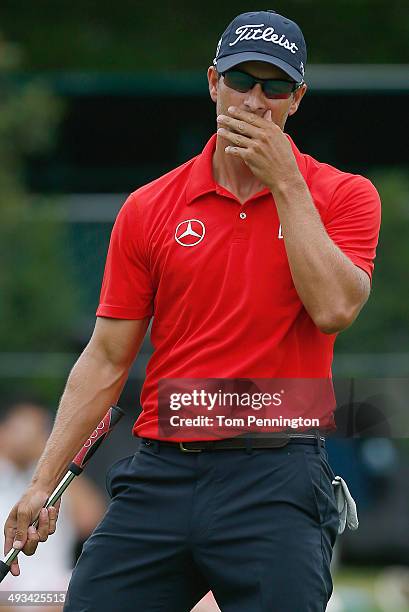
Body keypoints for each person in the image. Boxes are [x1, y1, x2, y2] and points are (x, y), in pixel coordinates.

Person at [3, 10, 381, 612]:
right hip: (163, 471)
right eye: (241, 80)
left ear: (296, 99)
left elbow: (336, 307)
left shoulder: (345, 195)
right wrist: (41, 485)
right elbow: (105, 357)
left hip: (278, 474)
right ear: (213, 83)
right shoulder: (149, 207)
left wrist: (286, 184)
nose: (255, 101)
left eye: (275, 86)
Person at [0, 402, 106, 612]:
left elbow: (90, 520)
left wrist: (48, 458)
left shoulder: (58, 481)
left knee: (92, 592)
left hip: (54, 588)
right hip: (6, 585)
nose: (28, 438)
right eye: (21, 428)